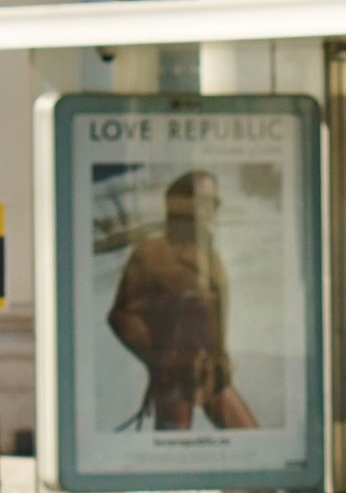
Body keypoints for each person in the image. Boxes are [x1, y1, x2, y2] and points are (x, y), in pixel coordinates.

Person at [106, 168, 258, 434]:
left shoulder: (208, 250)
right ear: (180, 205)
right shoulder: (151, 253)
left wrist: (221, 357)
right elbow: (122, 316)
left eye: (215, 202)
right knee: (172, 448)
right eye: (204, 202)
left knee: (251, 438)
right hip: (173, 375)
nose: (212, 209)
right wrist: (160, 357)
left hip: (211, 372)